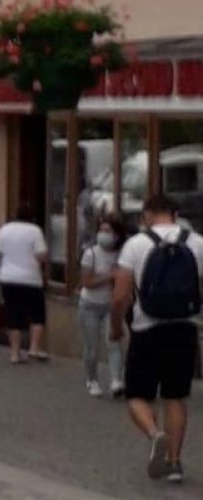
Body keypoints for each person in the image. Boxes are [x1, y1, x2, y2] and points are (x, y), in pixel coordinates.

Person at [112, 196, 203, 483]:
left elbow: (120, 295)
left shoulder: (135, 244)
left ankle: (155, 434)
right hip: (184, 327)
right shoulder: (198, 243)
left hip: (147, 328)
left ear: (146, 215)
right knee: (175, 396)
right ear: (175, 214)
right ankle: (174, 464)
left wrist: (116, 326)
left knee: (136, 395)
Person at [0, 204, 52, 364]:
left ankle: (14, 353)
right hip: (31, 278)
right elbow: (41, 254)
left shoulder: (5, 229)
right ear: (32, 217)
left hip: (8, 277)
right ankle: (34, 347)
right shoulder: (35, 231)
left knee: (13, 314)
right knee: (37, 313)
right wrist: (45, 269)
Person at [79, 215, 128, 398]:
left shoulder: (122, 255)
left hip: (111, 305)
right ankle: (92, 379)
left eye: (108, 231)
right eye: (102, 230)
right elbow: (87, 281)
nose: (104, 234)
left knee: (114, 341)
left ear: (117, 235)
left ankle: (116, 380)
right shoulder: (90, 253)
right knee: (92, 346)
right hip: (89, 305)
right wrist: (110, 276)